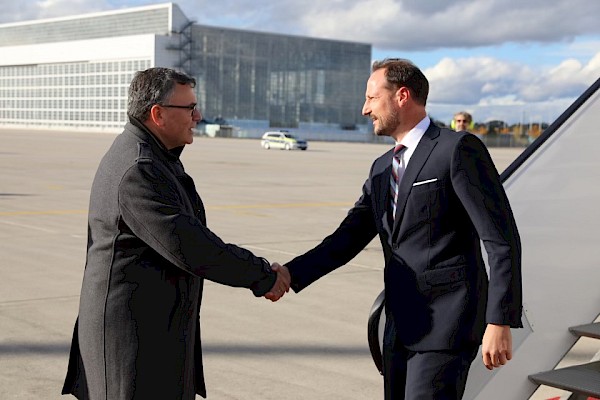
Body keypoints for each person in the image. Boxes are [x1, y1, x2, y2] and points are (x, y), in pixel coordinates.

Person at [267, 58, 522, 399]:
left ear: (402, 96)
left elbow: (501, 240)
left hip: (448, 326)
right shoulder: (382, 168)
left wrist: (499, 320)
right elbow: (346, 239)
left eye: (371, 98)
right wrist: (288, 273)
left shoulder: (456, 150)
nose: (364, 109)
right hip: (399, 327)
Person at [62, 67, 290, 400]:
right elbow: (191, 246)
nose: (198, 116)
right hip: (133, 346)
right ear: (157, 114)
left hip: (153, 334)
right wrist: (261, 275)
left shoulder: (155, 157)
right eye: (190, 108)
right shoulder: (139, 169)